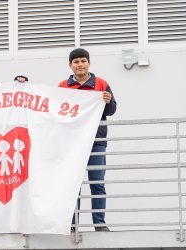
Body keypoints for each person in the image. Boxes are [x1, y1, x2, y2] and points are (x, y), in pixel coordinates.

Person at [58, 48, 116, 232]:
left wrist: (108, 101)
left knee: (97, 183)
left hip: (96, 141)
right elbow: (56, 110)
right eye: (76, 62)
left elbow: (112, 110)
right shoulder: (62, 86)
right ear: (70, 65)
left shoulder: (101, 83)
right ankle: (72, 224)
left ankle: (99, 223)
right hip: (72, 143)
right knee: (73, 185)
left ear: (88, 63)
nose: (80, 64)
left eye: (83, 61)